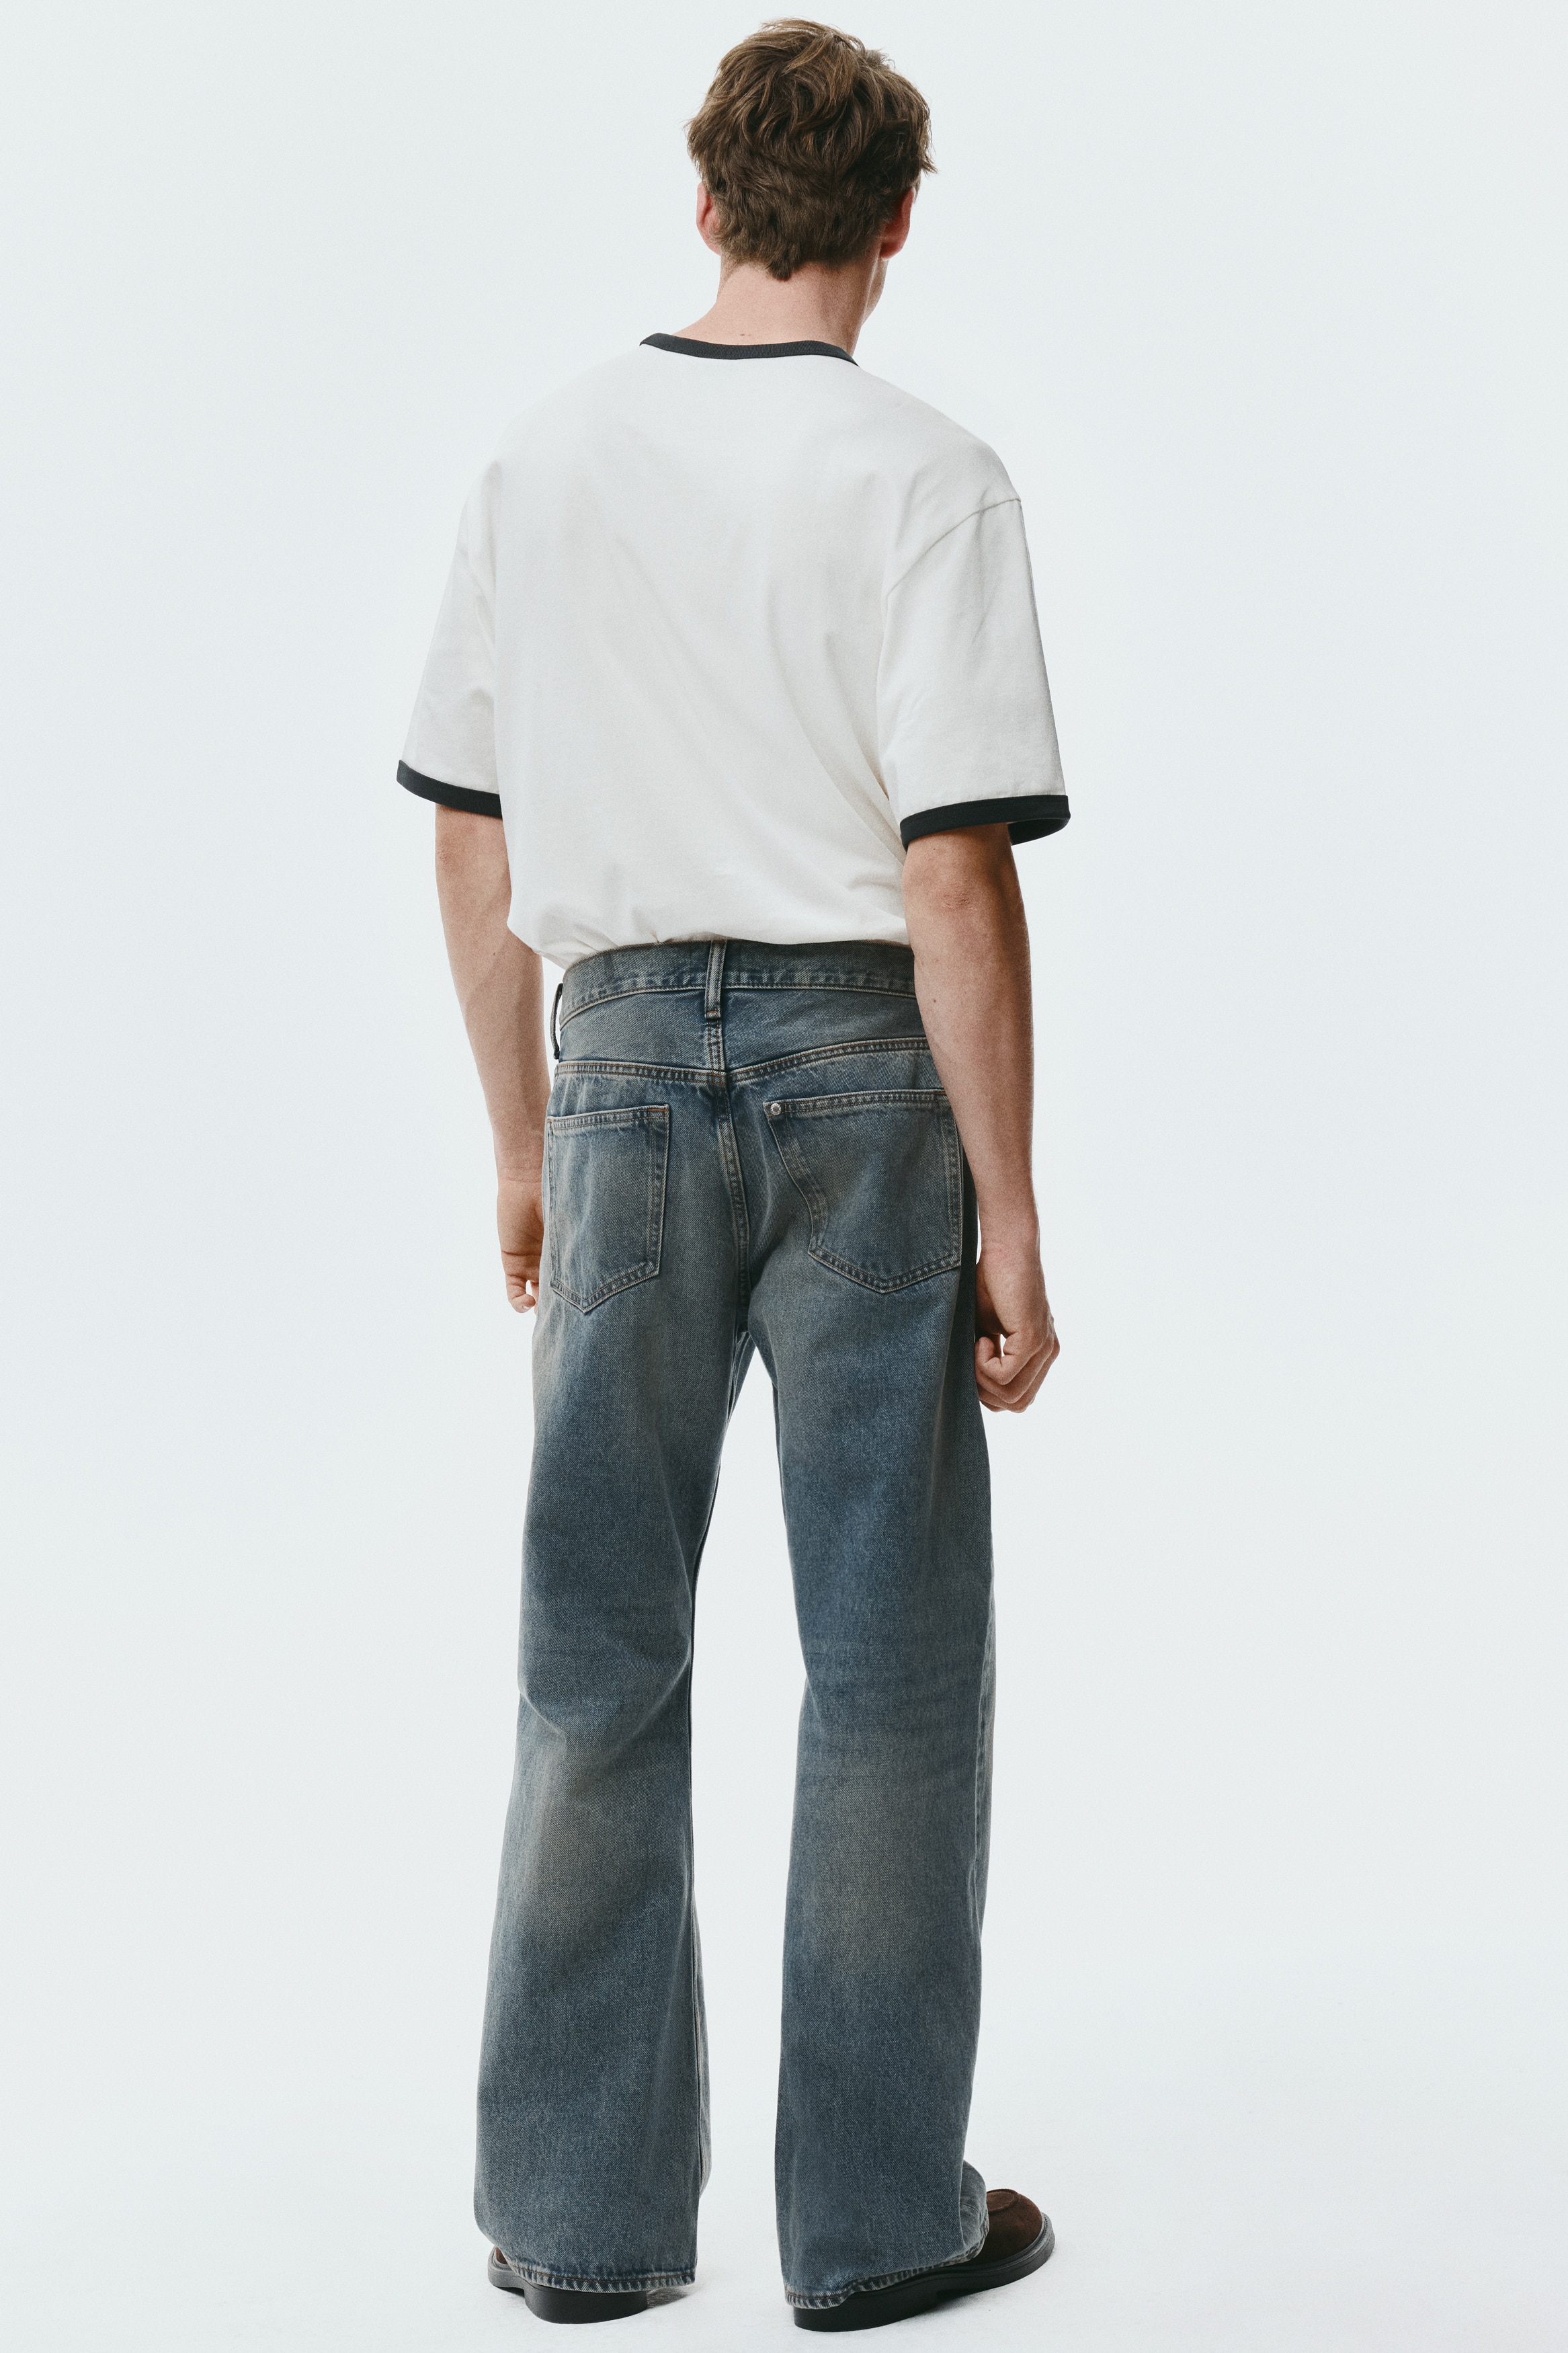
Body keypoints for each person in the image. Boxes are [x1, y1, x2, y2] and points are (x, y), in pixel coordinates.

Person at [398, 18, 1068, 2330]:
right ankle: (877, 2225)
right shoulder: (931, 476)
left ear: (704, 201)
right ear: (897, 221)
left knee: (597, 1650)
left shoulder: (543, 460)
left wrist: (524, 1138)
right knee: (890, 1660)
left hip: (609, 1071)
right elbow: (954, 870)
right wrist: (1010, 1209)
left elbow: (473, 836)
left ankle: (582, 2225)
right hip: (865, 1075)